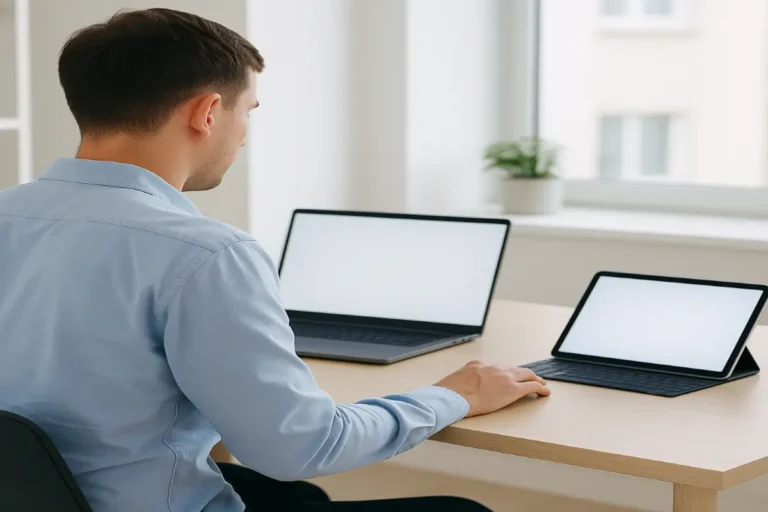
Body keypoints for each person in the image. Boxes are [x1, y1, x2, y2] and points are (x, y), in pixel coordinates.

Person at [0, 8, 550, 512]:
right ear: (208, 112)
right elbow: (301, 447)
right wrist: (455, 395)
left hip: (38, 494)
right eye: (248, 112)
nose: (243, 137)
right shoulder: (204, 253)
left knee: (295, 496)